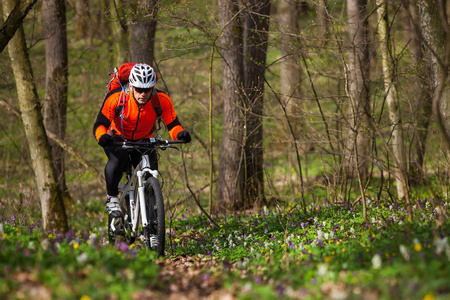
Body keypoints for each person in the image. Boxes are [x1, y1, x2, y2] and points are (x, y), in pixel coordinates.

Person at [93, 63, 191, 220]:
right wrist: (102, 137)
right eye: (139, 89)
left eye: (147, 90)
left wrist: (181, 134)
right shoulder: (116, 98)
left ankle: (152, 219)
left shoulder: (161, 100)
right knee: (118, 161)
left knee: (151, 172)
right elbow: (100, 124)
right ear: (131, 86)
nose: (143, 94)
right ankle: (112, 198)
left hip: (144, 140)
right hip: (118, 138)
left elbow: (172, 125)